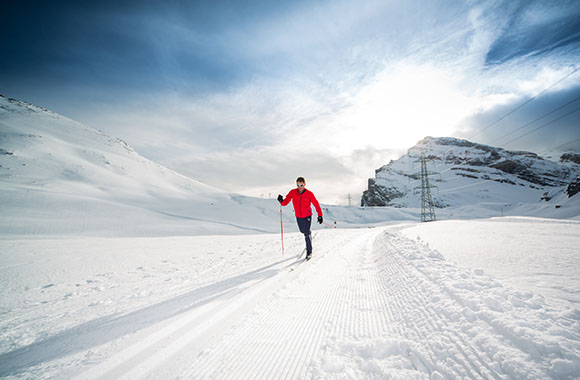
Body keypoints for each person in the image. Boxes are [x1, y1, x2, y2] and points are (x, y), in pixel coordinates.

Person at [278, 177, 323, 260]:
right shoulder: (292, 192)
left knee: (306, 233)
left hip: (307, 216)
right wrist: (281, 201)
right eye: (298, 185)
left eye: (301, 185)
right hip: (298, 216)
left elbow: (316, 204)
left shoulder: (309, 194)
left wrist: (320, 215)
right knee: (302, 231)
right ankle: (308, 234)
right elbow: (285, 202)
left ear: (304, 184)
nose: (300, 187)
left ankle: (309, 251)